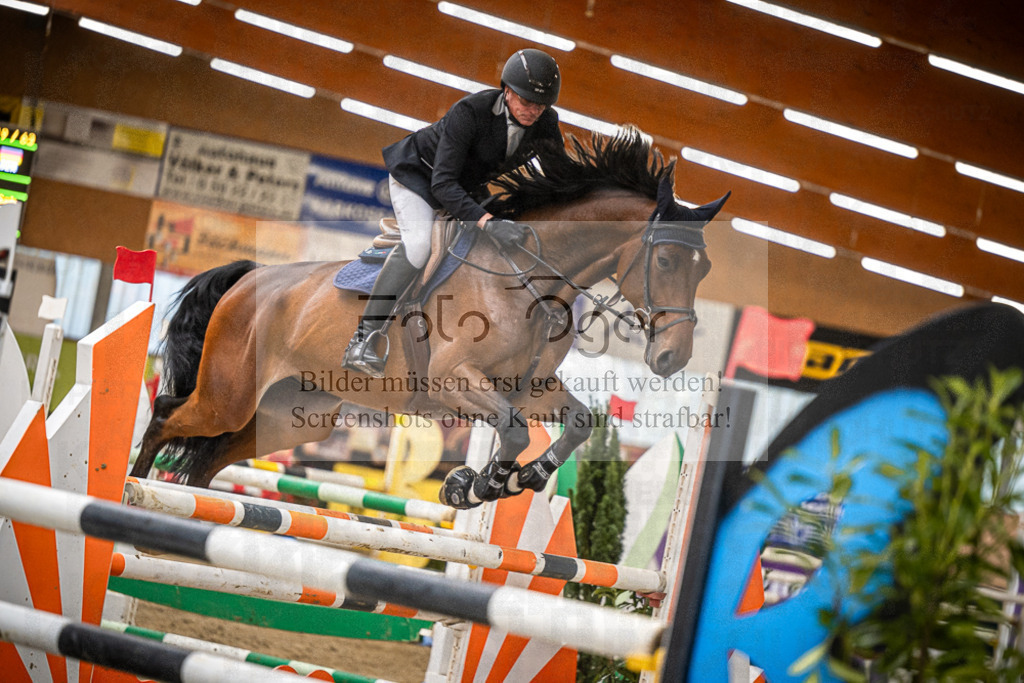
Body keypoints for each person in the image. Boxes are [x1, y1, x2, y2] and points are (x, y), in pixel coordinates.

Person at [342, 48, 565, 378]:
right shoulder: (470, 111)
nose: (534, 111)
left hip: (465, 188)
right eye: (527, 102)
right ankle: (362, 338)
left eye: (541, 105)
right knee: (419, 246)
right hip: (419, 178)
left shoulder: (545, 122)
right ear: (507, 91)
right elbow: (443, 184)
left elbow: (561, 174)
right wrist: (487, 222)